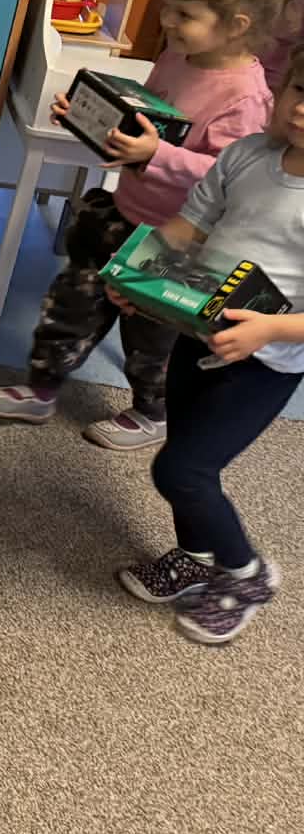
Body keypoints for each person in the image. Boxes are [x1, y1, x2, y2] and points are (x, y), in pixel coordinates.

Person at [0, 0, 289, 449]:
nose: (167, 21)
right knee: (71, 306)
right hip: (123, 211)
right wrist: (92, 118)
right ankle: (41, 389)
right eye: (168, 8)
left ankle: (152, 411)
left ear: (237, 25)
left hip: (174, 241)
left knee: (151, 337)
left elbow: (228, 176)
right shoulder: (180, 55)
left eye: (184, 14)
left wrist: (154, 155)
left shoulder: (246, 97)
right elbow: (151, 119)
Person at [115, 46, 304, 643]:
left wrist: (268, 330)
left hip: (265, 361)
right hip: (199, 329)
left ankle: (246, 573)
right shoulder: (247, 154)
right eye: (300, 90)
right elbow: (188, 227)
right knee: (185, 449)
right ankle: (195, 556)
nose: (303, 109)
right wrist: (138, 275)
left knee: (183, 469)